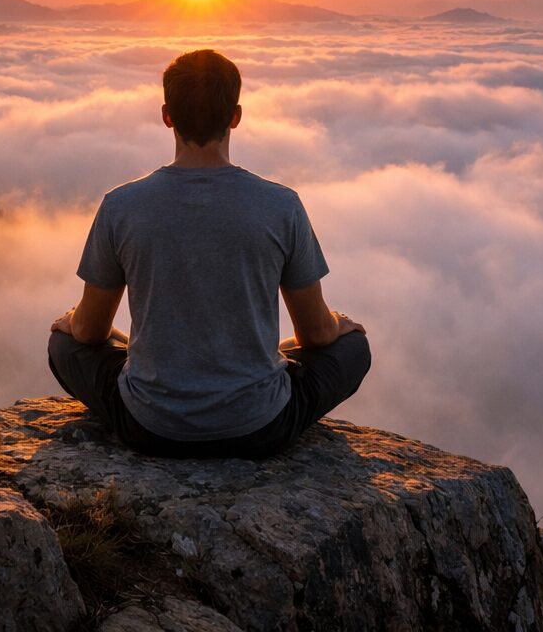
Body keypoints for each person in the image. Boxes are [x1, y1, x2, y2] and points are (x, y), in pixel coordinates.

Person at [48, 49, 370, 459]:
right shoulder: (281, 206)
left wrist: (71, 323)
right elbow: (318, 335)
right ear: (235, 115)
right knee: (355, 348)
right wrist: (340, 323)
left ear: (167, 115)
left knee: (62, 345)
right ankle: (260, 366)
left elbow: (90, 332)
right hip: (261, 426)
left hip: (149, 425)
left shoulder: (121, 206)